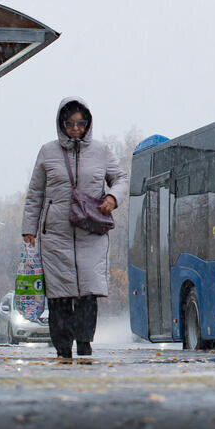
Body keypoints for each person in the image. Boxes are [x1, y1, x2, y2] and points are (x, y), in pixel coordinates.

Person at [22, 97, 129, 359]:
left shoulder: (102, 151)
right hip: (55, 234)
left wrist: (113, 198)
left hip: (90, 231)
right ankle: (62, 347)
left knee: (88, 291)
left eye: (81, 123)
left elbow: (120, 178)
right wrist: (29, 228)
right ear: (61, 124)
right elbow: (35, 193)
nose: (75, 128)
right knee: (58, 294)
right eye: (70, 123)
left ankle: (84, 342)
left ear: (88, 123)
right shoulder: (47, 152)